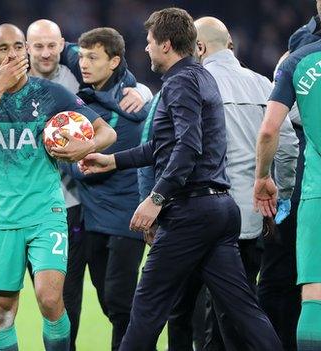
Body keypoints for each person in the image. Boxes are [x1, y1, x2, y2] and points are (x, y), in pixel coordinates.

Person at [79, 8, 282, 350]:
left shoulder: (180, 82)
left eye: (149, 42)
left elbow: (188, 147)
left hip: (189, 211)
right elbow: (163, 145)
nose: (146, 49)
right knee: (244, 312)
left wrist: (155, 198)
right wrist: (112, 160)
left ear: (167, 45)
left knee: (146, 310)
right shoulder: (201, 77)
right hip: (219, 209)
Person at [0, 23, 117, 351]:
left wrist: (81, 148)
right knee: (0, 312)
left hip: (46, 211)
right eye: (3, 49)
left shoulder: (51, 94)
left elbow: (106, 133)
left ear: (26, 51)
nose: (13, 53)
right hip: (3, 216)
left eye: (18, 46)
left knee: (49, 298)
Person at [167, 16, 300, 351]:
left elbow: (174, 150)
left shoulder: (189, 82)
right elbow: (285, 145)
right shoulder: (263, 84)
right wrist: (278, 195)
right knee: (237, 306)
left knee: (185, 308)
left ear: (197, 47)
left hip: (197, 212)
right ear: (230, 46)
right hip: (251, 214)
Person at [57, 27, 152, 350]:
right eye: (82, 56)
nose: (83, 64)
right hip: (95, 220)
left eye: (92, 58)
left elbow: (86, 170)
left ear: (113, 62)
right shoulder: (97, 91)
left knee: (119, 300)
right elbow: (61, 47)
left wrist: (61, 152)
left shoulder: (128, 109)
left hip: (127, 218)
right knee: (109, 301)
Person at [254, 12, 321, 350]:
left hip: (313, 192)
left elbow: (269, 130)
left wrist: (264, 177)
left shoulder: (297, 61)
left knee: (311, 293)